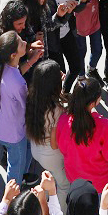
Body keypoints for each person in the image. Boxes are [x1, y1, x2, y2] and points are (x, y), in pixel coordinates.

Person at [56, 76, 108, 192]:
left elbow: (62, 148)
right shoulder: (103, 125)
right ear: (92, 103)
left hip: (74, 177)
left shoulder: (63, 119)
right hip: (97, 181)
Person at [0, 31, 32, 184]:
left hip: (0, 125)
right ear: (14, 55)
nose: (25, 43)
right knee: (16, 165)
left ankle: (24, 175)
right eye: (21, 43)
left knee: (22, 154)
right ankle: (14, 193)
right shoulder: (18, 82)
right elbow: (26, 104)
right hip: (13, 133)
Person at [25, 59, 70, 188]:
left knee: (50, 179)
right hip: (51, 155)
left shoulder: (32, 97)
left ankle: (44, 200)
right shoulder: (56, 110)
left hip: (36, 148)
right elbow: (54, 144)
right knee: (64, 185)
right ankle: (58, 208)